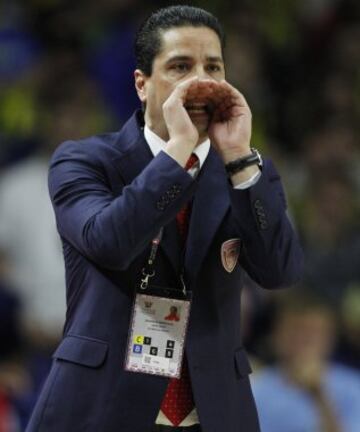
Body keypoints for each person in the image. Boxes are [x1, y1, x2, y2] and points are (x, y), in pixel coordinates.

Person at [26, 5, 303, 432]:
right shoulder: (84, 161)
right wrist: (179, 155)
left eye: (213, 66)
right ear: (142, 84)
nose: (200, 82)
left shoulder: (247, 171)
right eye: (180, 66)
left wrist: (241, 163)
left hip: (213, 412)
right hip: (101, 407)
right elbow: (109, 242)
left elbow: (280, 271)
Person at [251, 293, 360, 432]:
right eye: (295, 331)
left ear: (330, 338)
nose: (303, 341)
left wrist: (319, 394)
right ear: (277, 335)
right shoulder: (257, 387)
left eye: (312, 333)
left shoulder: (354, 387)